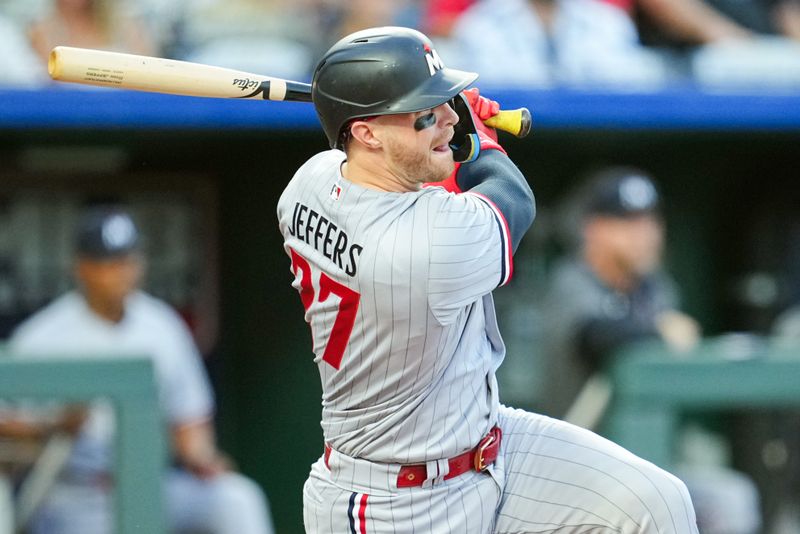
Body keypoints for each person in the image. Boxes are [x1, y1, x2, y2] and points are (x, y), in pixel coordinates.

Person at [277, 26, 698, 533]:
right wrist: (478, 140)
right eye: (426, 113)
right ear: (365, 132)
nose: (449, 118)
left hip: (488, 442)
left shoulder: (312, 181)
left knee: (656, 502)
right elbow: (512, 199)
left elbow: (411, 180)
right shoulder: (427, 249)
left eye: (444, 104)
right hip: (394, 503)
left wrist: (433, 125)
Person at [2, 207, 274, 534]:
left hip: (152, 483)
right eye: (110, 263)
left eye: (129, 260)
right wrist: (51, 424)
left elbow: (189, 420)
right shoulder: (43, 336)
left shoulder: (162, 326)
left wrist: (202, 457)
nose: (123, 272)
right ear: (83, 267)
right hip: (77, 494)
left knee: (236, 499)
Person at [539, 168, 762, 534]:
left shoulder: (653, 289)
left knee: (730, 497)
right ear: (594, 229)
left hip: (649, 462)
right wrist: (657, 330)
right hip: (579, 467)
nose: (645, 235)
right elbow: (595, 336)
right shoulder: (573, 281)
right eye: (627, 223)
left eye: (650, 222)